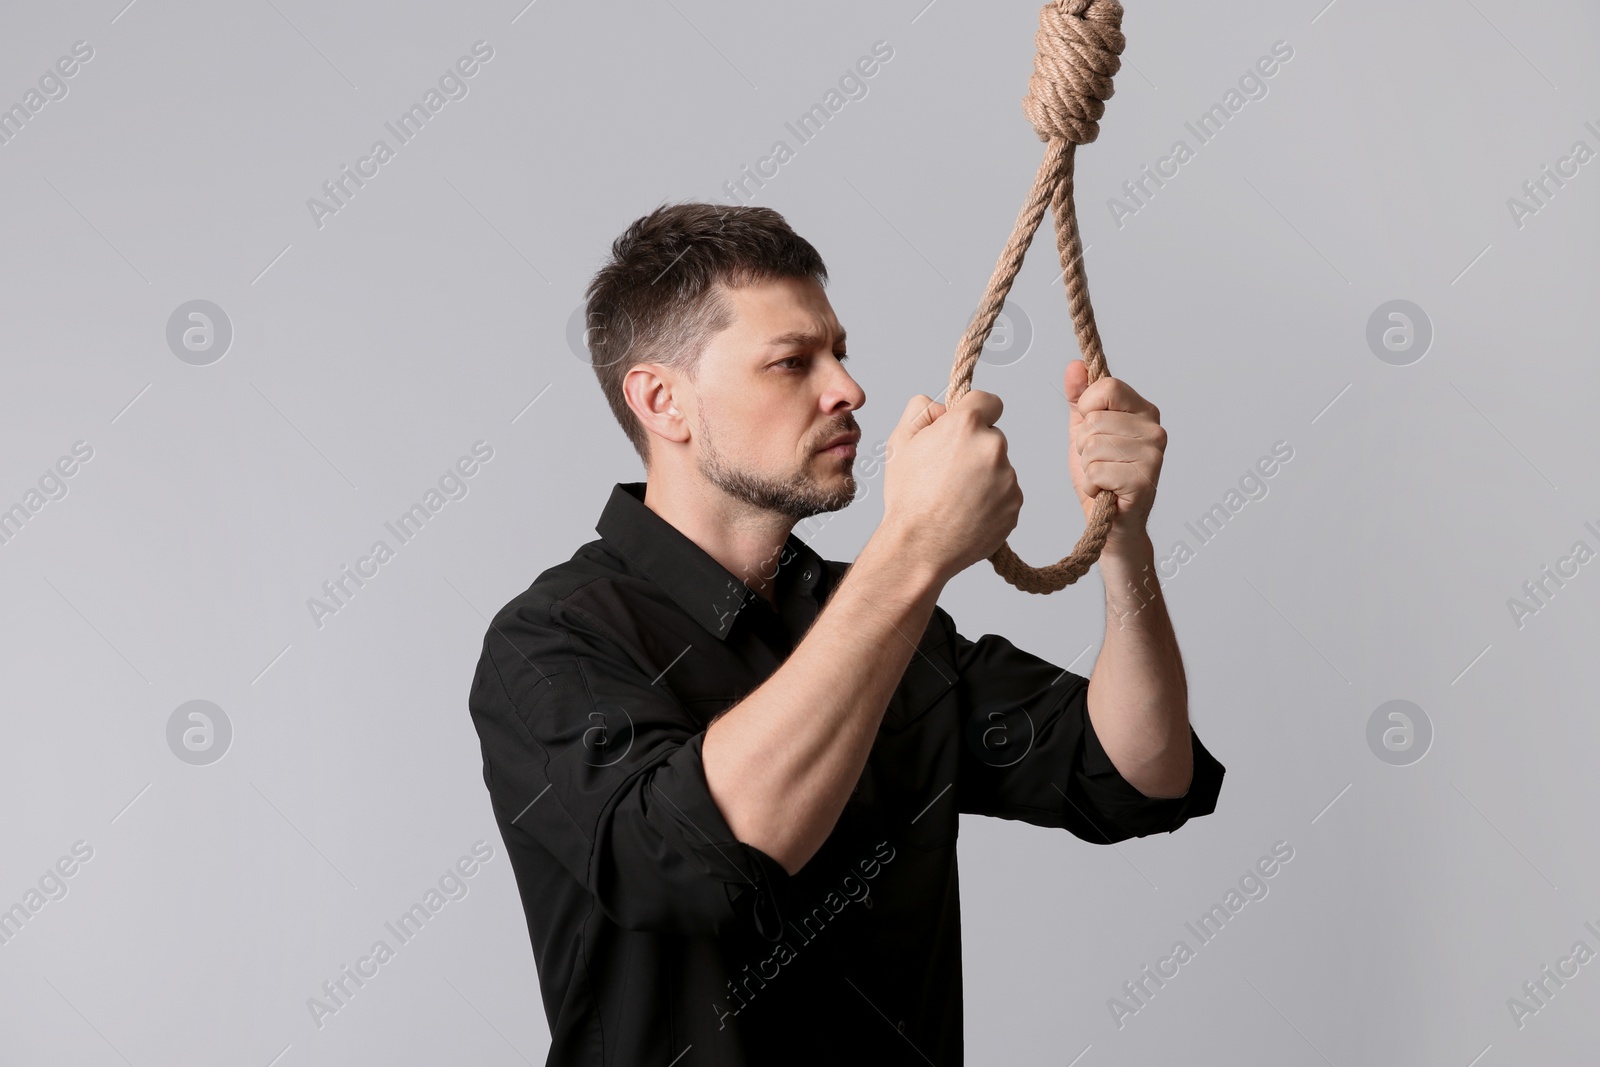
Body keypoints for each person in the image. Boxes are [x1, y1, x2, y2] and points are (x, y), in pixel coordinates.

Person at [466, 201, 1225, 1065]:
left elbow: (1138, 771)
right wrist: (913, 551)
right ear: (662, 400)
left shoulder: (884, 613)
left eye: (840, 353)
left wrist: (1125, 540)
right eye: (792, 361)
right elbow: (714, 855)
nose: (849, 389)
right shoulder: (552, 642)